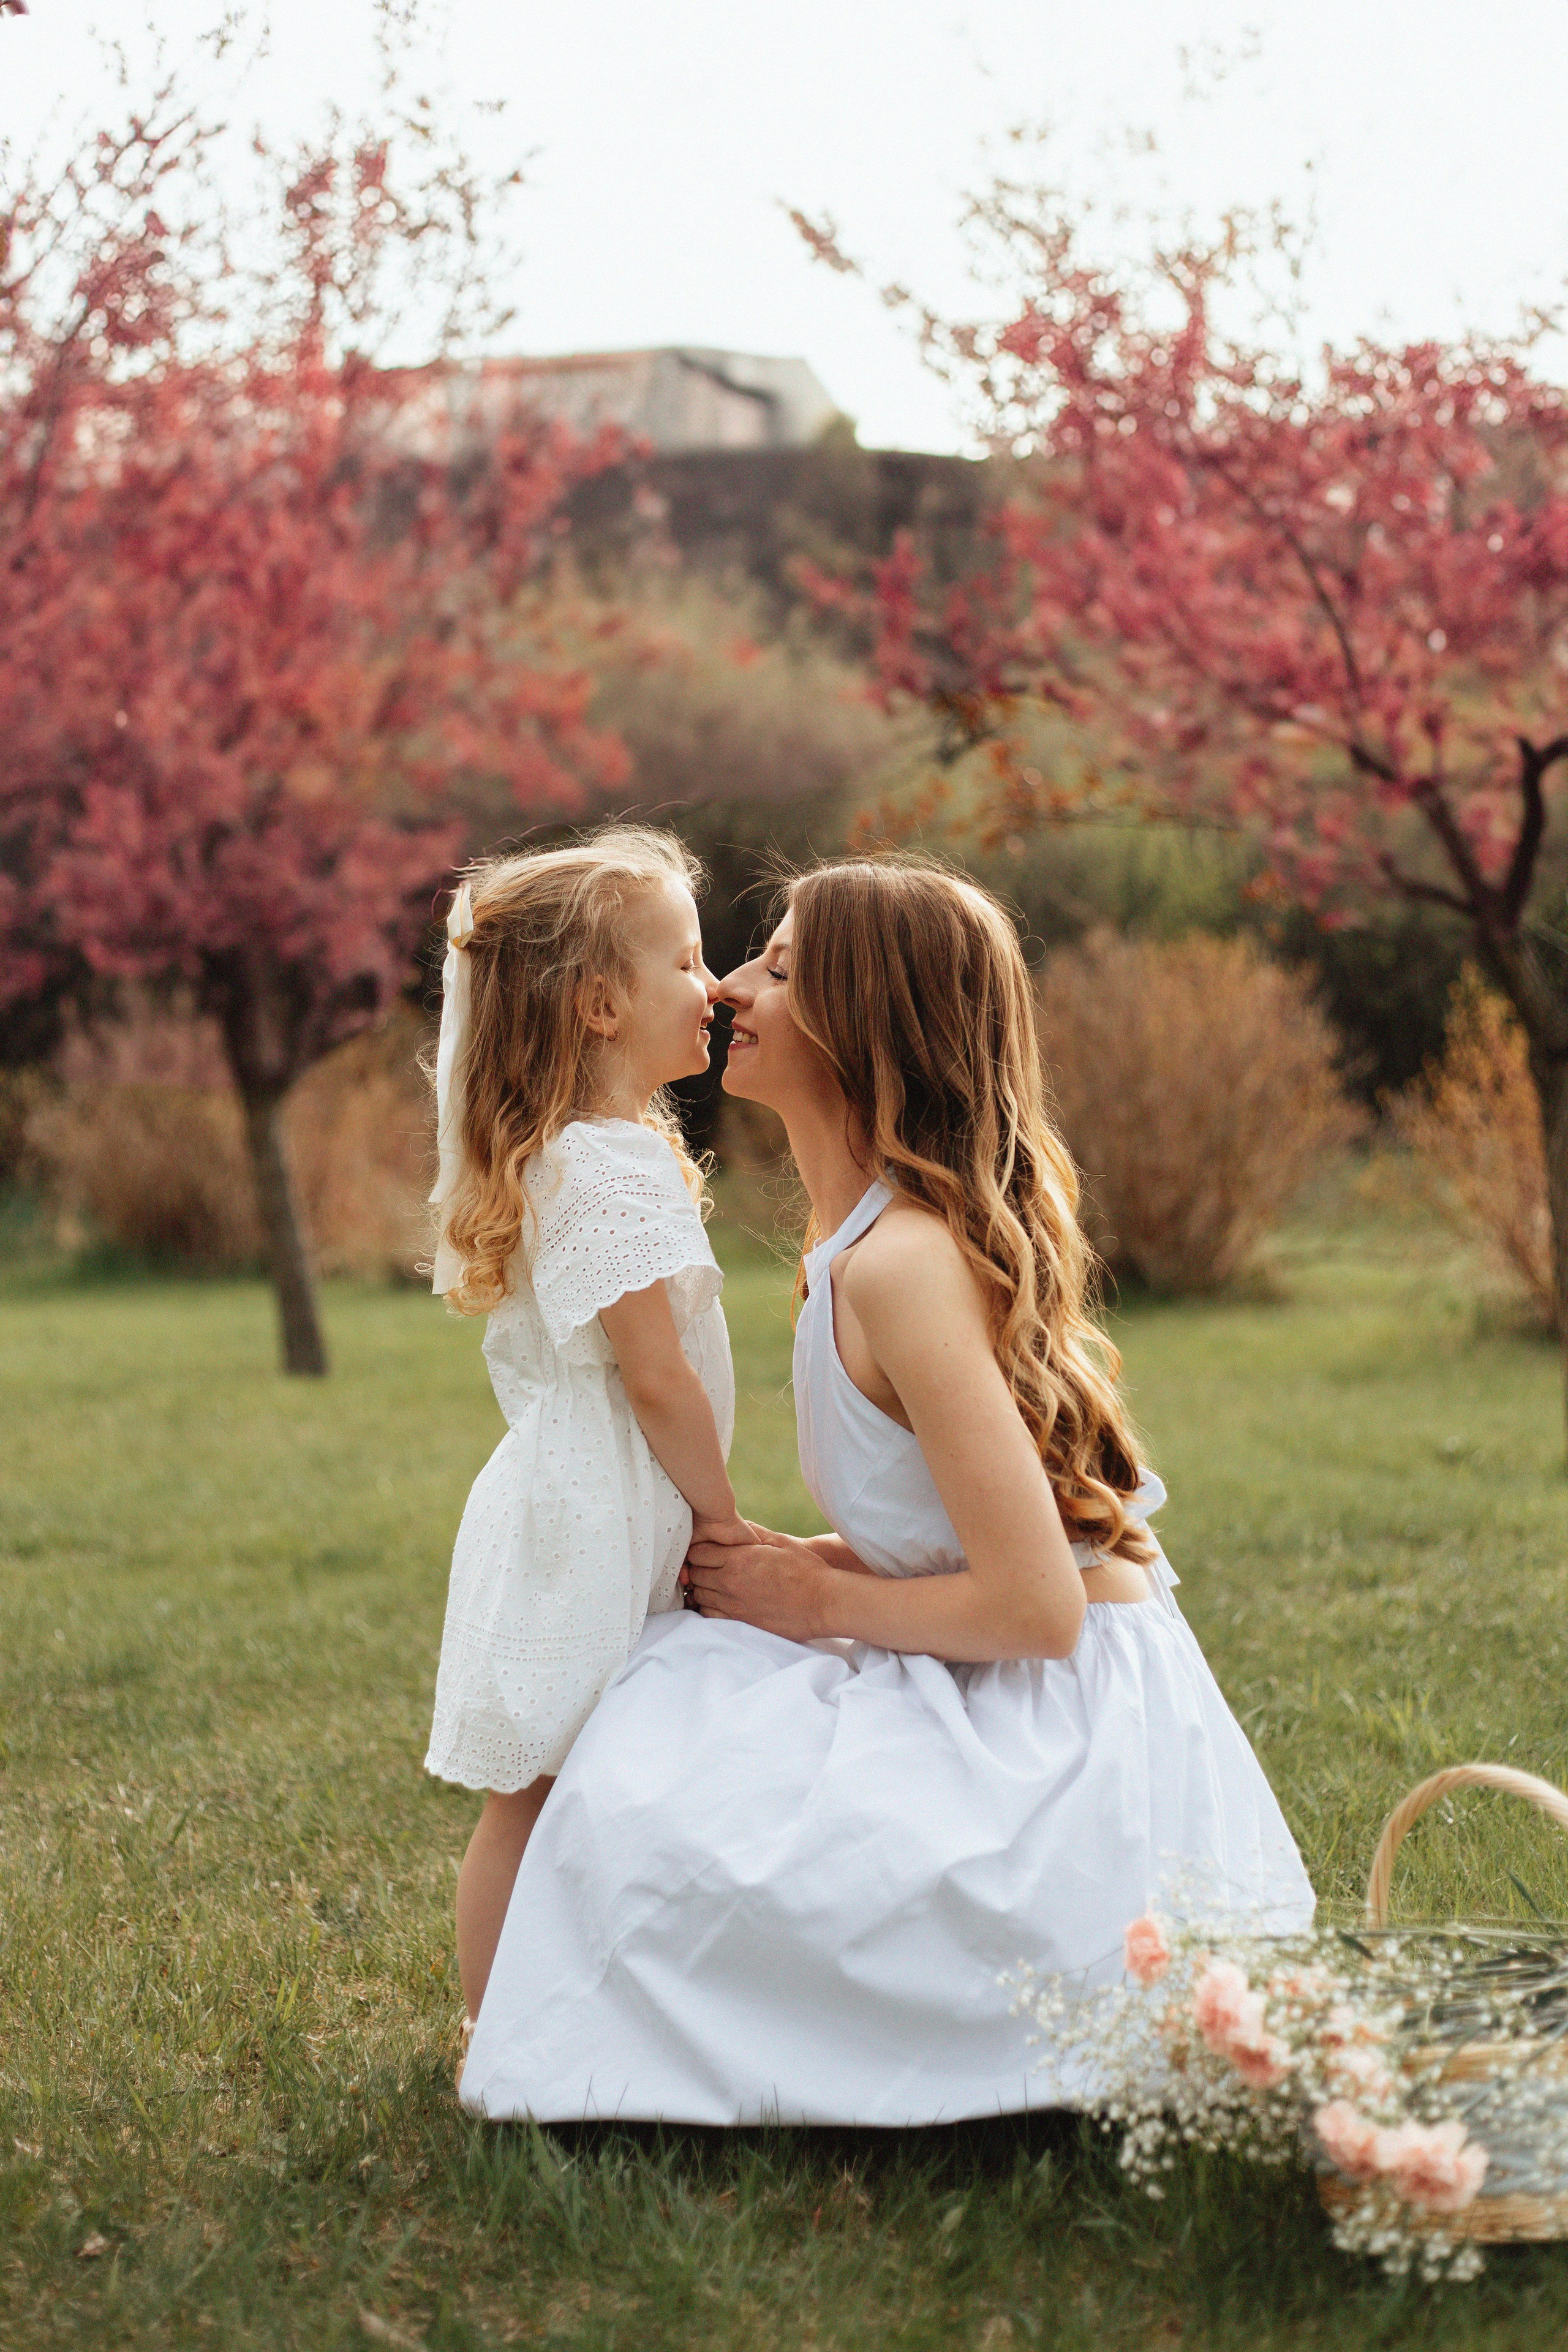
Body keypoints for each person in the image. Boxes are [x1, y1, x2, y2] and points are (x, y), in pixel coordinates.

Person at [460, 857, 1314, 2125]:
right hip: (1000, 1675)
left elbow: (1042, 1608)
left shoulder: (903, 1264)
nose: (734, 985)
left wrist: (810, 1601)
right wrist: (804, 1568)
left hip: (1066, 1743)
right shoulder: (846, 1245)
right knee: (661, 1699)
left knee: (662, 1767)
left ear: (867, 1029)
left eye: (783, 969)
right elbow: (939, 1538)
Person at [422, 826, 742, 2045]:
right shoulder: (604, 1169)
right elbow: (658, 1384)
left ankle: (540, 2022)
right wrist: (719, 1518)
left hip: (582, 1497)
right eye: (686, 961)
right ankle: (502, 2036)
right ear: (601, 1006)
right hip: (595, 1512)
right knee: (541, 1790)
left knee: (552, 1791)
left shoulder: (590, 1153)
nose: (710, 988)